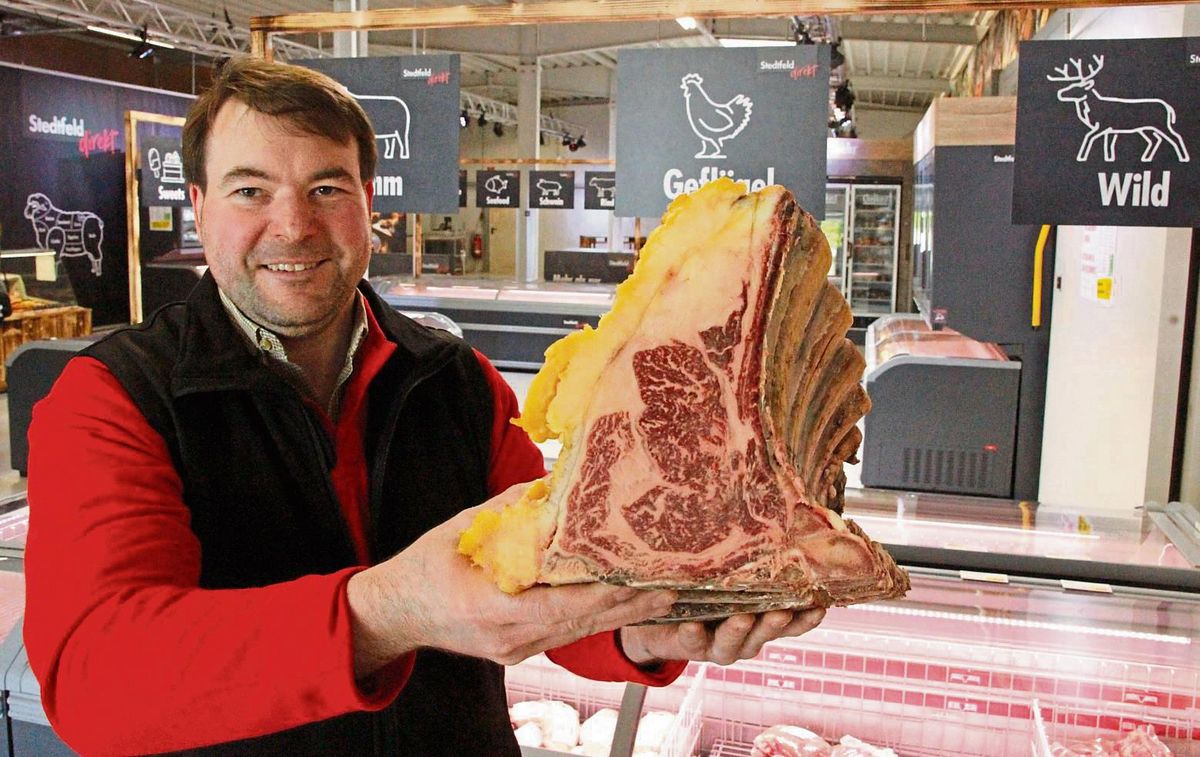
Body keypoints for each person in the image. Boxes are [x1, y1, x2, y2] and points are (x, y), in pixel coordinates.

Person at [23, 57, 826, 756]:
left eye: (326, 186)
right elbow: (94, 680)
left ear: (370, 202)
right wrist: (386, 612)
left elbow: (557, 583)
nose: (293, 224)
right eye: (250, 190)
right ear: (197, 205)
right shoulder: (113, 399)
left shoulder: (460, 381)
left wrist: (643, 630)